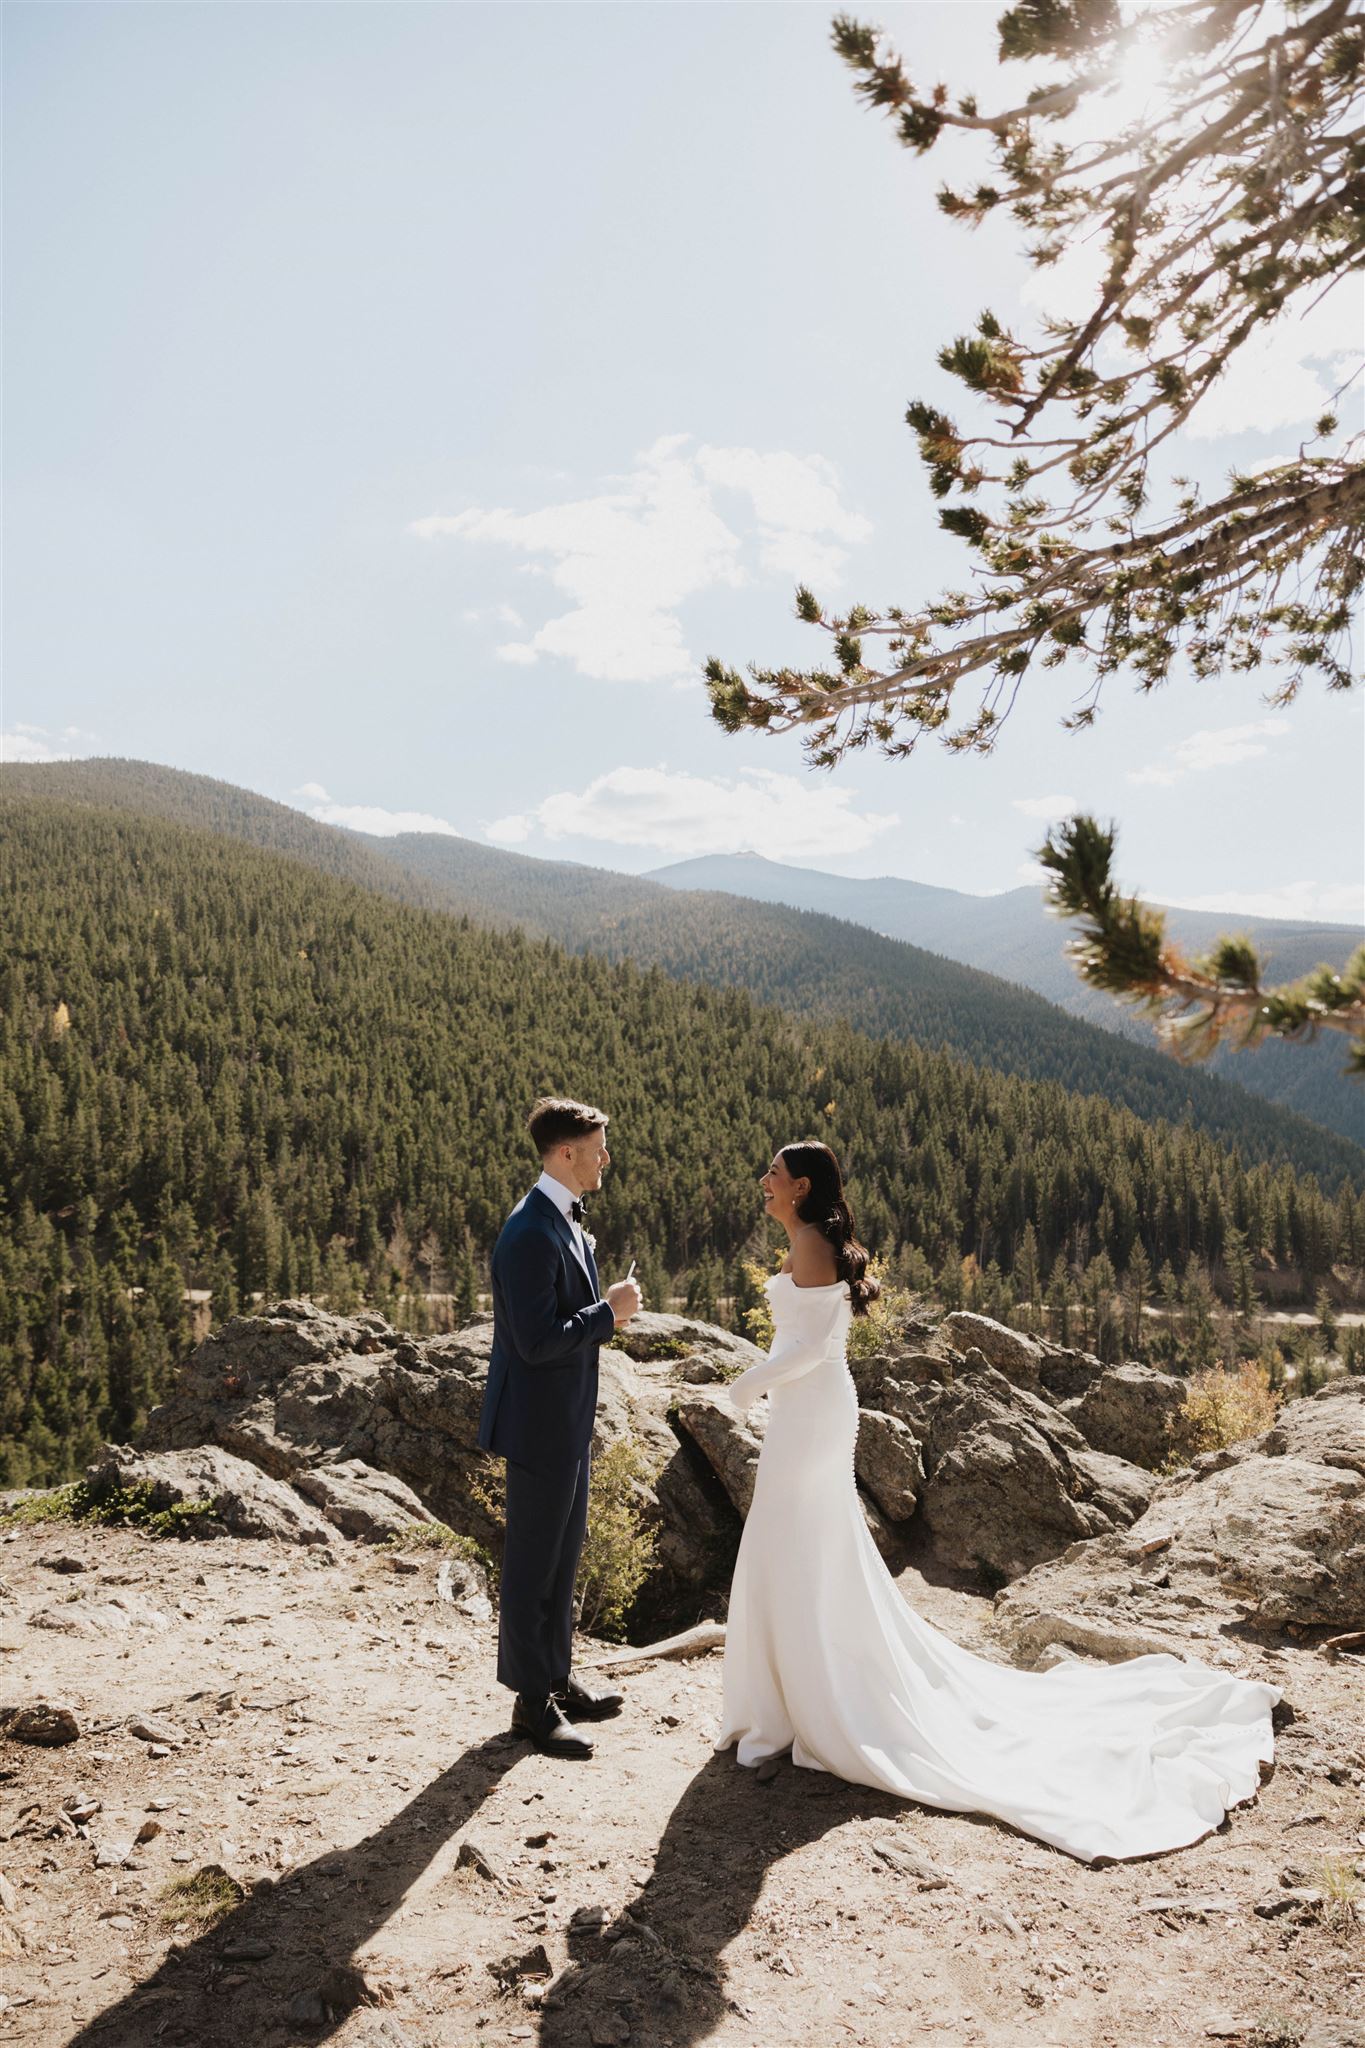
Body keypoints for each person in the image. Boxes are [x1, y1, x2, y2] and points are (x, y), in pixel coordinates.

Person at [716, 1139, 1280, 1863]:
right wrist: (763, 1382)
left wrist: (742, 1386)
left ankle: (803, 1699)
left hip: (809, 1407)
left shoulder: (814, 1244)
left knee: (794, 1544)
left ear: (797, 1186)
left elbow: (808, 1348)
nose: (761, 1180)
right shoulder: (805, 1237)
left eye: (770, 1172)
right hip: (808, 1409)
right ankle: (787, 1697)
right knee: (792, 1545)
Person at [478, 1095, 642, 1758]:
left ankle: (556, 1676)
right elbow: (535, 1341)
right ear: (565, 1153)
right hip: (536, 1423)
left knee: (563, 1558)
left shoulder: (564, 1219)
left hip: (565, 1418)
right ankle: (529, 1706)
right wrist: (609, 1313)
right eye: (598, 1146)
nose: (606, 1157)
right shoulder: (527, 1232)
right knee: (531, 1565)